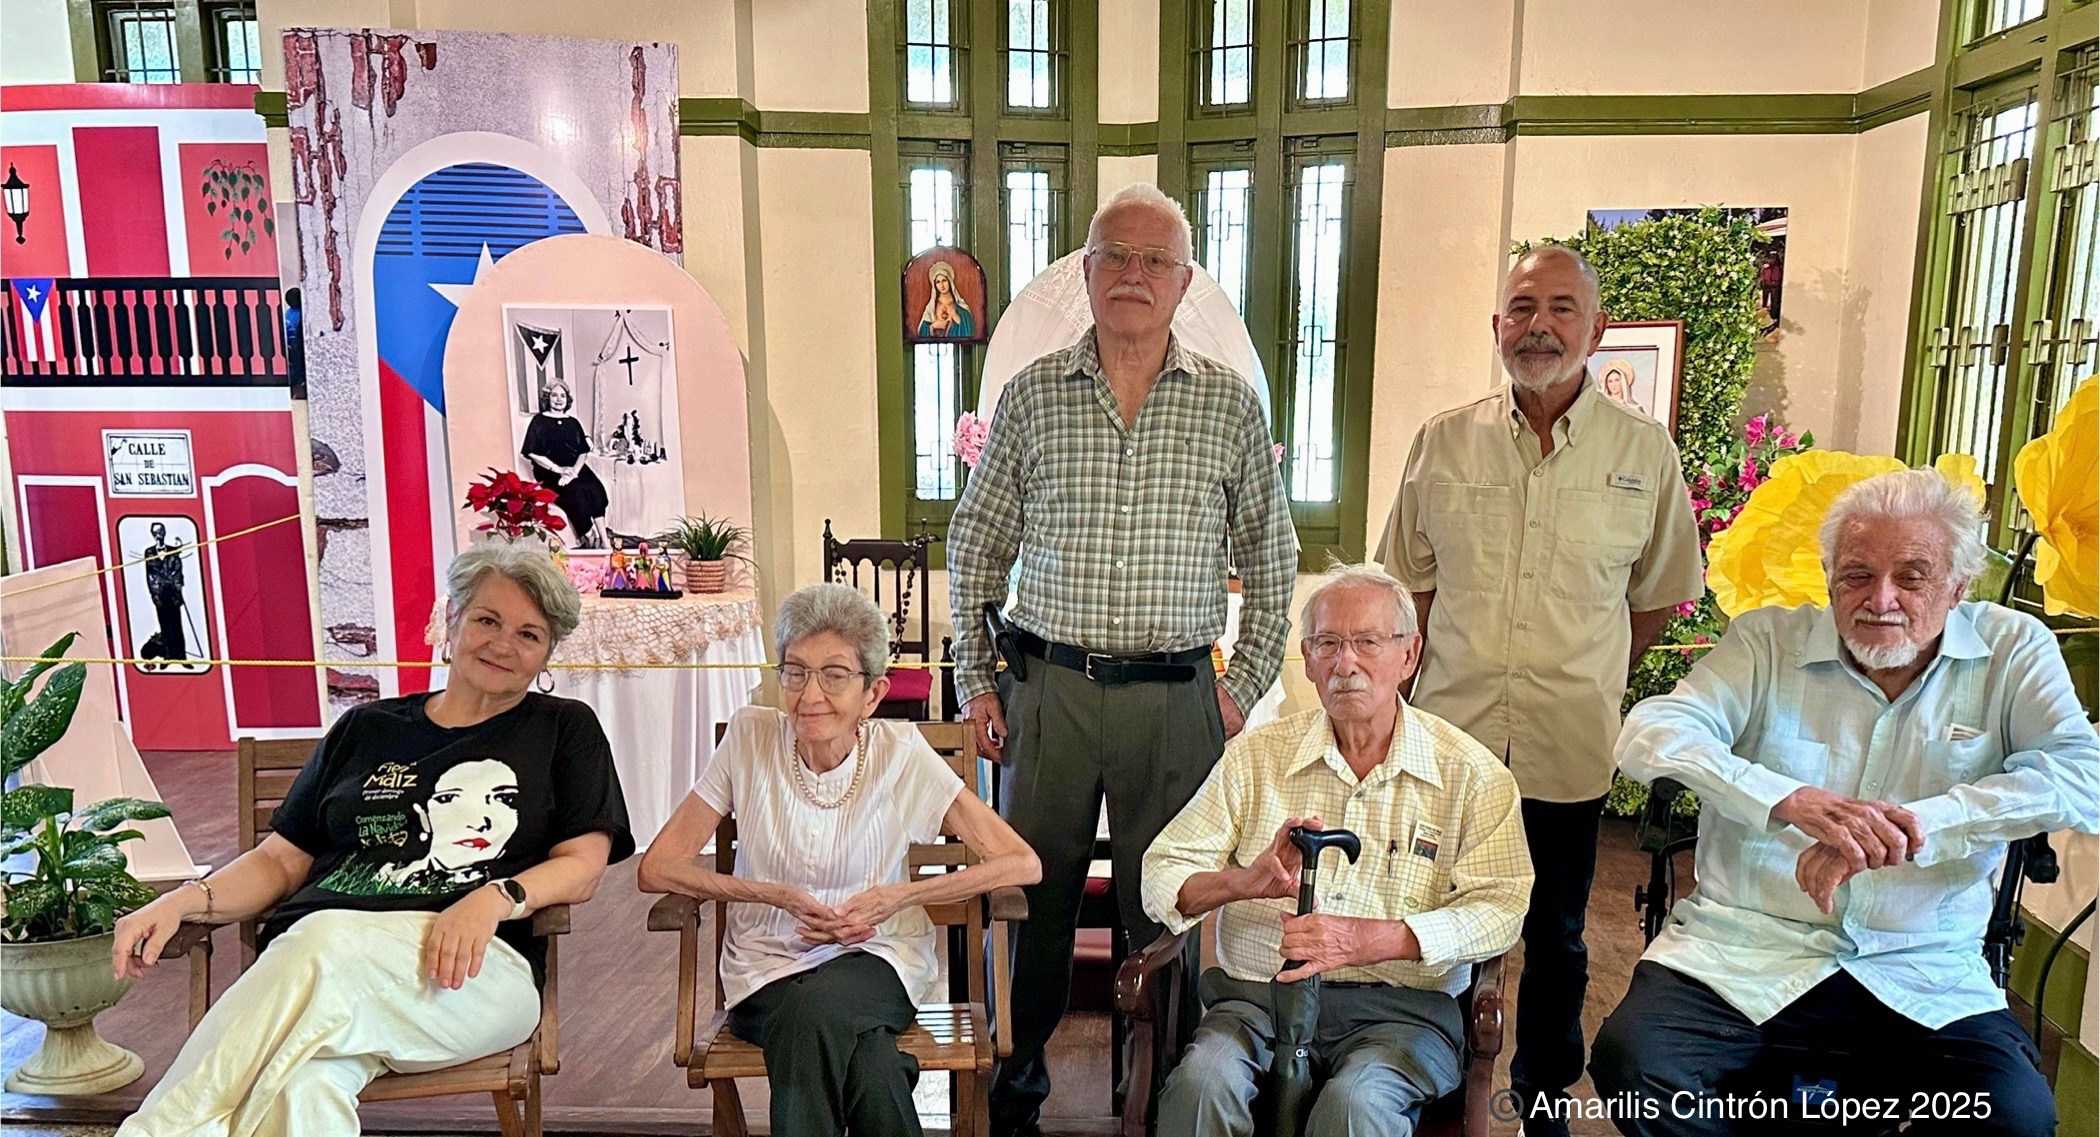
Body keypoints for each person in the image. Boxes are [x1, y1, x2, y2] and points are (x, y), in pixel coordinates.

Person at [1592, 469, 2098, 1137]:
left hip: (1919, 962)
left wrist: (1915, 824)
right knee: (1638, 1072)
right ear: (1828, 577)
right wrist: (1786, 798)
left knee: (2016, 1116)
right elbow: (1651, 731)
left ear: (1957, 586)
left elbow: (2080, 775)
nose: (1879, 598)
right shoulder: (1766, 642)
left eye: (1911, 576)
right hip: (1745, 950)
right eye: (1857, 574)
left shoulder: (2012, 650)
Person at [948, 181, 1298, 1136]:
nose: (1134, 274)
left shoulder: (1227, 407)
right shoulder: (1030, 397)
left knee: (1167, 912)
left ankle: (1168, 1102)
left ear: (1184, 283)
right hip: (1048, 693)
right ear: (1088, 273)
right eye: (1116, 256)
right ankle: (1013, 1100)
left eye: (1155, 260)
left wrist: (1240, 688)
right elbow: (974, 545)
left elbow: (1275, 561)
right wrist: (979, 677)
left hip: (1177, 700)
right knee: (1030, 905)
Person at [111, 542, 633, 1137]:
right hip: (319, 971)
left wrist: (496, 897)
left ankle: (155, 1130)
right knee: (307, 1085)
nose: (503, 645)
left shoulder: (563, 728)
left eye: (529, 634)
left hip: (470, 974)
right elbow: (280, 861)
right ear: (452, 618)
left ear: (546, 655)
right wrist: (181, 900)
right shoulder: (366, 728)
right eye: (488, 620)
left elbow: (584, 864)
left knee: (323, 934)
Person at [1374, 244, 1703, 1135]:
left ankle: (1545, 1096)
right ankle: (1433, 1081)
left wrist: (1595, 673)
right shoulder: (1444, 441)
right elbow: (1410, 591)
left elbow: (1660, 595)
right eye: (1521, 308)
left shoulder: (1643, 453)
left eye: (1561, 308)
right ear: (1496, 328)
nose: (1539, 325)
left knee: (1554, 936)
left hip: (1567, 740)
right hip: (1454, 740)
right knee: (1434, 917)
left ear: (1595, 330)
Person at [1142, 563, 1532, 1137]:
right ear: (1307, 655)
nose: (1345, 662)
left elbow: (1501, 910)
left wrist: (1372, 939)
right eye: (1327, 643)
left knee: (1356, 1108)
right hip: (1257, 1004)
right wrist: (1242, 882)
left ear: (1409, 655)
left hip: (1400, 1015)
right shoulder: (1256, 758)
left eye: (1368, 642)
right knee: (1201, 1087)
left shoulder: (1471, 775)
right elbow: (1162, 871)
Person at [638, 583, 1041, 1137]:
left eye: (834, 675)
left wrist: (898, 897)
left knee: (815, 1015)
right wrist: (772, 894)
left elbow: (1021, 862)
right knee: (871, 1061)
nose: (810, 695)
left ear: (873, 694)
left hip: (878, 955)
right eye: (796, 671)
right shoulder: (750, 740)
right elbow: (657, 866)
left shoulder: (900, 754)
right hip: (767, 965)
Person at [521, 380, 609, 548]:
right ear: (548, 398)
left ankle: (604, 540)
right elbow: (532, 452)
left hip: (575, 467)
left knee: (595, 489)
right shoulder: (538, 421)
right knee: (575, 493)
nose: (559, 399)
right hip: (549, 470)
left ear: (567, 400)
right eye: (554, 395)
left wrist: (574, 471)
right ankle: (589, 535)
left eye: (563, 396)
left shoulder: (573, 422)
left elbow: (583, 450)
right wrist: (559, 470)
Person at [142, 521, 189, 664]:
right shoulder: (149, 552)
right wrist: (155, 594)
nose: (158, 536)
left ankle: (181, 656)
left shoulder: (173, 551)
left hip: (173, 594)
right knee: (164, 624)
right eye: (155, 533)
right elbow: (151, 574)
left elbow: (178, 571)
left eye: (160, 532)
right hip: (160, 595)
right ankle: (168, 657)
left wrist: (177, 588)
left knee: (176, 625)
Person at [917, 259, 976, 338]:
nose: (941, 285)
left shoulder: (960, 306)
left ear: (950, 282)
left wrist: (958, 319)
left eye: (944, 280)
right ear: (935, 285)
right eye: (938, 282)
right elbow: (922, 331)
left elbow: (969, 329)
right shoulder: (931, 307)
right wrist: (933, 326)